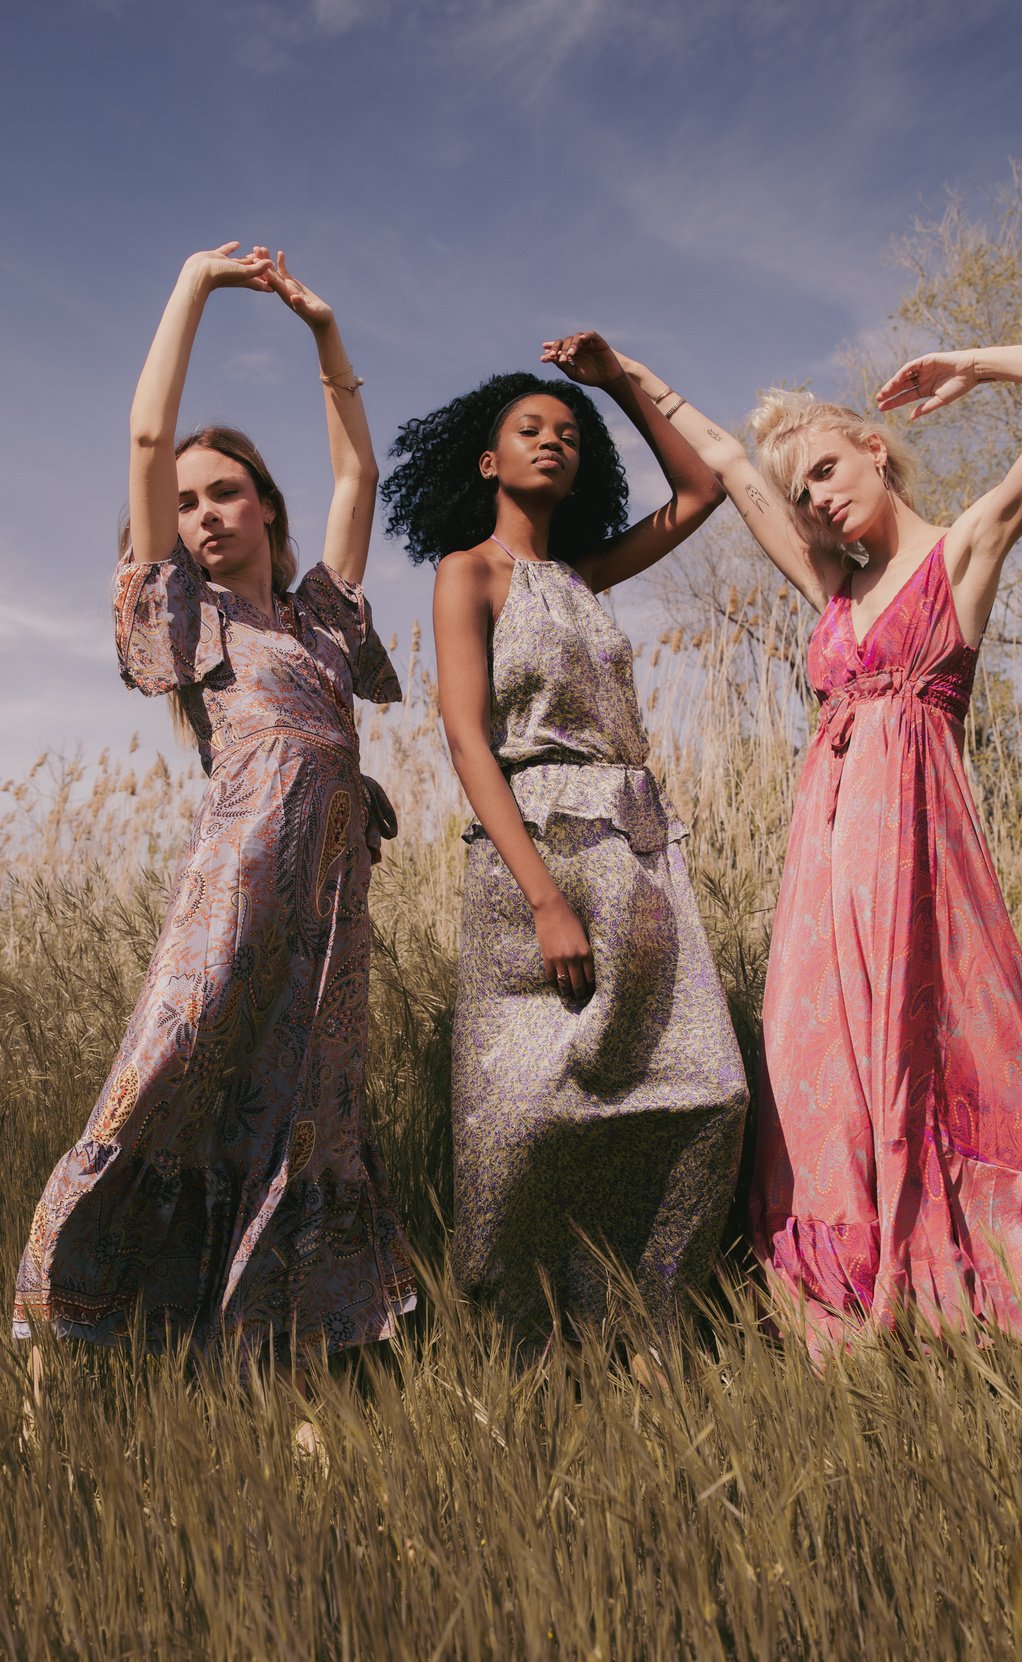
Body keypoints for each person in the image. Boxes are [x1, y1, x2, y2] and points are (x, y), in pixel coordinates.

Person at [615, 343, 1022, 1357]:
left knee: (928, 1058)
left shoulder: (960, 552)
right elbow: (731, 465)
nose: (813, 502)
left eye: (827, 473)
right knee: (813, 1071)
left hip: (916, 861)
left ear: (875, 451)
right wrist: (622, 375)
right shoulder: (830, 590)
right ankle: (844, 1295)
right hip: (821, 864)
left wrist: (975, 362)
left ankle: (964, 1264)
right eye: (801, 496)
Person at [13, 244, 415, 1367]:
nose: (201, 515)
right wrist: (192, 283)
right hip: (236, 883)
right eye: (185, 504)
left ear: (264, 505)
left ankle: (275, 1335)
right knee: (166, 1077)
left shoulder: (320, 620)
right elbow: (147, 439)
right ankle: (61, 1320)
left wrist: (324, 333)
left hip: (332, 908)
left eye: (223, 491)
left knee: (305, 1108)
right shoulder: (192, 628)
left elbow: (358, 481)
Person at [381, 331, 747, 1341]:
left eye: (570, 434)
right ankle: (518, 1334)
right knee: (523, 1113)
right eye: (530, 429)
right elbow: (466, 740)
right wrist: (543, 897)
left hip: (636, 849)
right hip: (531, 851)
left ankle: (647, 1324)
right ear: (489, 462)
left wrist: (618, 381)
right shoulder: (470, 573)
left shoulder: (584, 576)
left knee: (704, 1090)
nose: (555, 440)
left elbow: (702, 491)